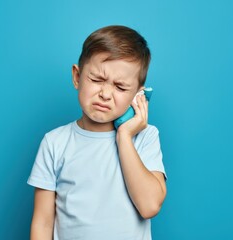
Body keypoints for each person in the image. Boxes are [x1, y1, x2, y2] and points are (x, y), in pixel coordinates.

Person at [27, 25, 168, 240]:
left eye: (120, 87)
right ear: (77, 76)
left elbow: (149, 206)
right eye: (97, 80)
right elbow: (43, 222)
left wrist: (124, 137)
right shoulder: (54, 142)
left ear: (139, 95)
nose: (105, 94)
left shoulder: (146, 137)